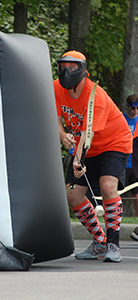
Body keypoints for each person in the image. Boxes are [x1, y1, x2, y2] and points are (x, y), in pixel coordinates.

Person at [55, 50, 132, 262]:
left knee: (107, 186)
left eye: (72, 68)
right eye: (63, 67)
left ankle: (113, 245)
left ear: (82, 70)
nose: (66, 72)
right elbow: (56, 117)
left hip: (113, 142)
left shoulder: (95, 97)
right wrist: (62, 135)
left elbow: (86, 135)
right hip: (84, 143)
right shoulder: (56, 87)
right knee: (73, 195)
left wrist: (77, 163)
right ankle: (99, 242)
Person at [122, 95, 138, 216]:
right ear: (127, 107)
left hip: (135, 164)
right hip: (122, 162)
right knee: (119, 193)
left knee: (136, 195)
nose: (135, 111)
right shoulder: (121, 119)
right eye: (133, 108)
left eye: (137, 108)